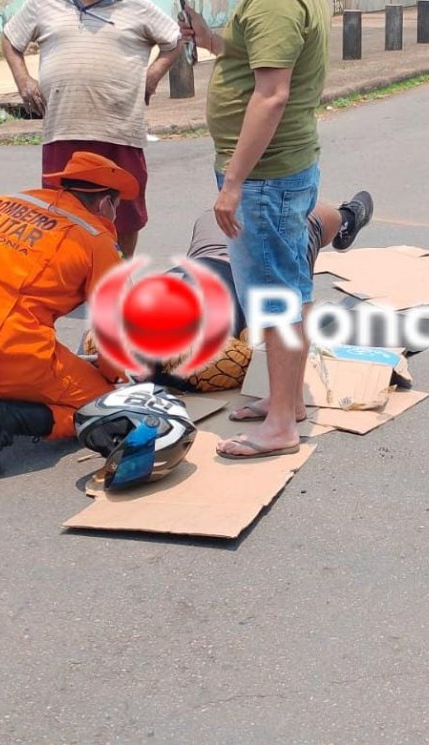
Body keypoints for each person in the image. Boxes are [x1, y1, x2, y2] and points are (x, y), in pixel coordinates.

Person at [0, 152, 139, 479]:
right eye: (116, 208)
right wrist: (114, 379)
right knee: (102, 407)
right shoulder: (94, 238)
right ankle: (5, 419)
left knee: (18, 351)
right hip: (3, 350)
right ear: (105, 204)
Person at [179, 0, 329, 460]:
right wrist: (211, 41)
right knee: (287, 289)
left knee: (275, 295)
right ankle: (288, 402)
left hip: (264, 179)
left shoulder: (272, 3)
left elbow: (272, 94)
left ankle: (281, 424)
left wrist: (235, 184)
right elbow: (259, 57)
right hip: (276, 172)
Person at [81, 191, 374, 397]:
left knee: (266, 215)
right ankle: (347, 217)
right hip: (253, 261)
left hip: (215, 255)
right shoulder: (202, 359)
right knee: (312, 219)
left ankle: (344, 217)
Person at [0, 0, 182, 259]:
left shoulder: (136, 6)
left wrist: (153, 75)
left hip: (120, 131)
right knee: (62, 213)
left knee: (125, 215)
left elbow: (174, 41)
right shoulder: (43, 5)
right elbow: (10, 39)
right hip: (63, 130)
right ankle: (69, 277)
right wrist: (23, 80)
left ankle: (118, 275)